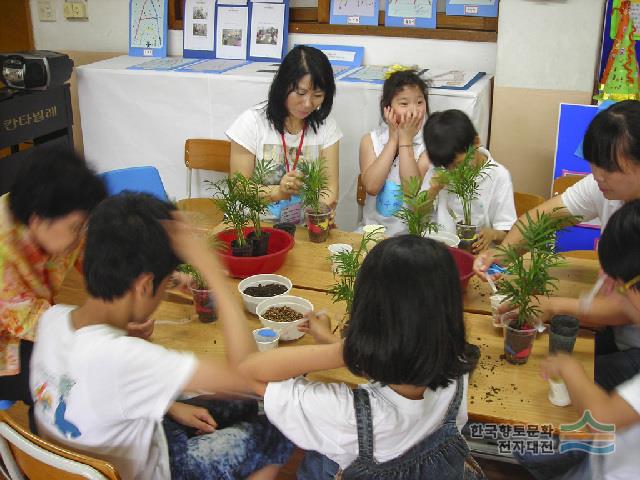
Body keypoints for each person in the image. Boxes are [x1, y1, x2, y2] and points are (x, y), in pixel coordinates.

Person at [29, 193, 292, 480]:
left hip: (96, 455)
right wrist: (212, 273)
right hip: (155, 471)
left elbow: (100, 382)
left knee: (242, 406)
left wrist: (170, 404)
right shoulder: (128, 359)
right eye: (166, 282)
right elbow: (249, 376)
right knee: (281, 425)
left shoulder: (51, 320)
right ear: (144, 285)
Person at [238, 236, 484, 479]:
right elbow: (403, 360)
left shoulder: (347, 416)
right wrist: (328, 337)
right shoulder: (459, 363)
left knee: (316, 463)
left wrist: (345, 350)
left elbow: (250, 371)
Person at [479, 100, 640, 390]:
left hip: (633, 343)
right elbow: (544, 218)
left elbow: (628, 307)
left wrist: (551, 306)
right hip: (612, 327)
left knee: (554, 387)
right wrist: (502, 254)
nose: (598, 175)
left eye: (610, 168)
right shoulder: (603, 184)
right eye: (595, 163)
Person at [525, 200, 640, 480]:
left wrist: (570, 368)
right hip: (609, 459)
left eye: (618, 285)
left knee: (532, 451)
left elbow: (604, 420)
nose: (610, 292)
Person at [0, 148, 106, 405]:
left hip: (30, 326)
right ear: (38, 221)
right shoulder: (3, 247)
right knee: (69, 383)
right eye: (75, 228)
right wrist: (101, 326)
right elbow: (31, 321)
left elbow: (100, 262)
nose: (81, 235)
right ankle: (46, 439)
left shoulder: (58, 219)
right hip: (5, 350)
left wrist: (167, 278)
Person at [226, 45, 342, 222]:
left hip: (304, 225)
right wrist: (278, 192)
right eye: (300, 93)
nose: (307, 104)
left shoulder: (327, 127)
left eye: (317, 95)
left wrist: (320, 215)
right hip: (255, 223)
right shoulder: (252, 123)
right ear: (282, 86)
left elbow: (329, 186)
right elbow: (239, 187)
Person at [423, 109, 517, 253]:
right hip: (441, 252)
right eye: (447, 167)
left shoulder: (498, 176)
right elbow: (418, 216)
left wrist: (492, 234)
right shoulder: (439, 170)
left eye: (459, 164)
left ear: (476, 142)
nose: (454, 171)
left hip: (479, 256)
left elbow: (507, 231)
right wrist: (432, 191)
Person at [359, 69, 430, 236]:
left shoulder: (428, 146)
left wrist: (406, 141)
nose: (414, 111)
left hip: (412, 236)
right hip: (372, 232)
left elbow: (411, 190)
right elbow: (371, 186)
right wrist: (393, 140)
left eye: (419, 102)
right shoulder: (371, 141)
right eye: (404, 104)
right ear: (387, 108)